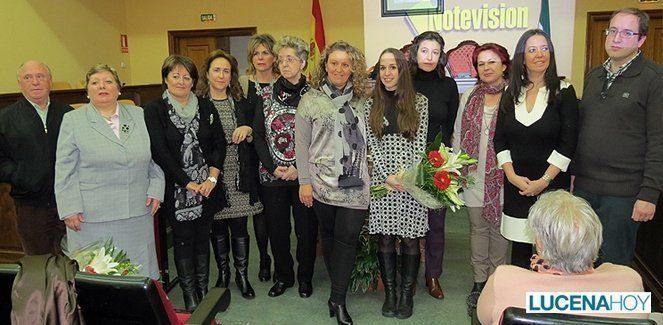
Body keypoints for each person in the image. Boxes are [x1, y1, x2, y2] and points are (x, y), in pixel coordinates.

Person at [55, 64, 165, 278]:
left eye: (108, 81)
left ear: (119, 88)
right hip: (91, 217)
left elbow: (156, 156)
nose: (101, 86)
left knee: (139, 270)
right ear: (87, 91)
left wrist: (156, 188)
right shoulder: (73, 120)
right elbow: (64, 169)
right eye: (94, 82)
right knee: (98, 274)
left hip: (137, 211)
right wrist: (69, 209)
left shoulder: (139, 115)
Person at [476, 190, 648, 325]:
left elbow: (483, 318)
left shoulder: (504, 280)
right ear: (595, 240)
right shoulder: (629, 283)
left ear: (540, 243)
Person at [573, 8, 663, 266]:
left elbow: (659, 141)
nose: (616, 38)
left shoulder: (654, 79)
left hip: (624, 195)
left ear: (641, 40)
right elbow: (584, 130)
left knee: (613, 267)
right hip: (585, 190)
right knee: (579, 262)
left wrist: (649, 194)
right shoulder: (594, 76)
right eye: (612, 30)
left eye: (626, 33)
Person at [144, 55, 226, 311]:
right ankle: (190, 294)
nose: (181, 81)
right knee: (183, 239)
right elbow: (159, 151)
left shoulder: (206, 106)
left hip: (208, 188)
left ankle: (203, 289)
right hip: (177, 190)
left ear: (194, 81)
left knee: (203, 237)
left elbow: (218, 143)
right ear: (165, 78)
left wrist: (211, 177)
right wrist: (188, 182)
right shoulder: (154, 109)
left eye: (186, 76)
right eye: (175, 75)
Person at [296, 41, 369, 325]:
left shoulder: (364, 99)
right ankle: (336, 294)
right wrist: (304, 182)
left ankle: (338, 299)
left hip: (356, 183)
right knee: (328, 236)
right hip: (321, 182)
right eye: (334, 63)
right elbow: (301, 145)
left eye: (345, 64)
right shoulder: (310, 99)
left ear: (353, 69)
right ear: (325, 65)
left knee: (348, 238)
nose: (339, 69)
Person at [493, 29, 578, 268]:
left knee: (551, 254)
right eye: (532, 49)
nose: (539, 54)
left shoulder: (564, 90)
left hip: (551, 188)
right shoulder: (510, 92)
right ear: (522, 56)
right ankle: (518, 304)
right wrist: (511, 175)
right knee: (519, 252)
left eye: (544, 48)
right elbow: (500, 140)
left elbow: (568, 141)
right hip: (517, 187)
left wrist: (543, 181)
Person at [253, 36, 318, 298]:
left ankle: (305, 278)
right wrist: (272, 167)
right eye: (281, 59)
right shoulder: (265, 94)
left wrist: (298, 169)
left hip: (304, 177)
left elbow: (319, 138)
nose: (285, 63)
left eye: (290, 58)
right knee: (278, 231)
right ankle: (284, 277)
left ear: (302, 62)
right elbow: (258, 135)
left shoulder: (315, 96)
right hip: (273, 176)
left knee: (306, 231)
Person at [366, 48, 429, 319]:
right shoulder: (371, 104)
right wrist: (386, 175)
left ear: (402, 70)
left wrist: (405, 176)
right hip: (383, 182)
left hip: (410, 181)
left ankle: (406, 294)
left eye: (393, 67)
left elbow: (420, 144)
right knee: (385, 240)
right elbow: (371, 144)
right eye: (383, 68)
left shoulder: (421, 102)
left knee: (411, 240)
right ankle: (390, 294)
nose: (387, 73)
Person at [197, 50, 263, 300]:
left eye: (226, 71)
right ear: (207, 74)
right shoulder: (199, 103)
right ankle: (223, 273)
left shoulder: (241, 101)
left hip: (240, 172)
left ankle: (242, 275)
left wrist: (247, 128)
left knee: (239, 226)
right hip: (212, 174)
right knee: (218, 227)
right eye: (217, 70)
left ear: (232, 75)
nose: (222, 75)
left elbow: (257, 130)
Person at [452, 43, 510, 312]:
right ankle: (479, 279)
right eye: (481, 64)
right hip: (473, 174)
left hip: (504, 174)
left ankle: (497, 278)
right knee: (477, 227)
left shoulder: (515, 95)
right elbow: (457, 133)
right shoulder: (470, 96)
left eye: (492, 62)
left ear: (504, 65)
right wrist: (456, 167)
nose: (486, 68)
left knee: (499, 229)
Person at [0, 61, 72, 255]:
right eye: (27, 77)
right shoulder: (5, 119)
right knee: (39, 266)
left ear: (50, 81)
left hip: (69, 204)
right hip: (31, 206)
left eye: (40, 76)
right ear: (19, 83)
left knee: (74, 263)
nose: (35, 82)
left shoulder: (68, 115)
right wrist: (23, 176)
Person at [409, 31, 459, 299]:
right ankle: (408, 272)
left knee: (435, 224)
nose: (429, 57)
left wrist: (445, 162)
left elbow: (449, 127)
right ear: (415, 53)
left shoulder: (448, 86)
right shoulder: (404, 82)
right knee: (407, 221)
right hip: (406, 161)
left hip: (436, 162)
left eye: (435, 52)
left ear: (441, 56)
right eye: (424, 51)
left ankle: (432, 275)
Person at [238, 33, 278, 282]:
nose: (261, 57)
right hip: (252, 157)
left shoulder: (283, 81)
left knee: (278, 214)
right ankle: (264, 259)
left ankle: (280, 258)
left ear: (274, 56)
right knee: (260, 212)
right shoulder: (243, 83)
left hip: (279, 156)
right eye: (256, 53)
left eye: (265, 52)